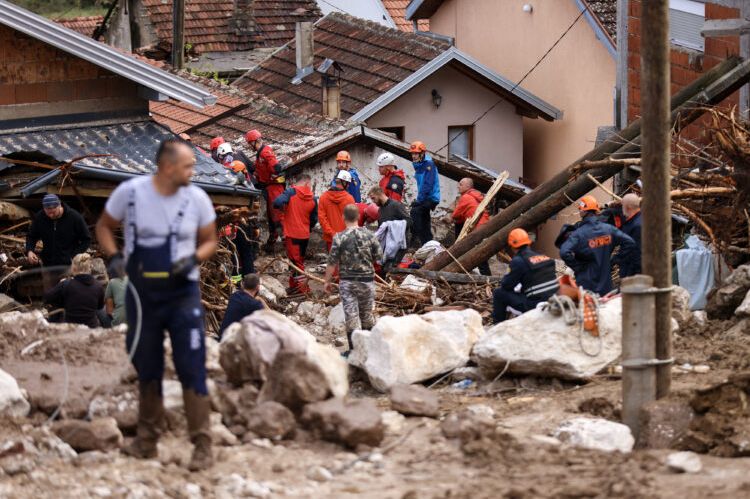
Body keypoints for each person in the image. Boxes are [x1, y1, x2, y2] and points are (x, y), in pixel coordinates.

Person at [95, 138, 218, 471]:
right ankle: (146, 441)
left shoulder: (197, 199)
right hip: (142, 294)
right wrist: (115, 257)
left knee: (191, 365)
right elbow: (104, 226)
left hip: (182, 295)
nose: (193, 171)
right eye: (188, 165)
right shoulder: (131, 193)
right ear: (167, 167)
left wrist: (192, 258)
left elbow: (210, 240)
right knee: (147, 365)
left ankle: (202, 445)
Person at [324, 204, 382, 356]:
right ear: (358, 217)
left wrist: (327, 282)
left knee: (351, 317)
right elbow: (380, 257)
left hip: (347, 282)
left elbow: (332, 262)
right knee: (367, 315)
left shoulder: (339, 237)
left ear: (343, 217)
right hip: (367, 281)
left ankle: (354, 352)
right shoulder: (370, 235)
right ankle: (370, 351)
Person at [560, 195, 636, 295]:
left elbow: (564, 252)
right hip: (605, 284)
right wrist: (614, 261)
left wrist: (578, 267)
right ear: (596, 210)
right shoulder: (609, 229)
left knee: (588, 309)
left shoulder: (578, 234)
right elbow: (630, 243)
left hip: (585, 283)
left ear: (583, 212)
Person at [492, 229, 559, 324]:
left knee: (499, 293)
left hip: (535, 305)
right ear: (528, 243)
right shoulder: (545, 257)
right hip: (555, 300)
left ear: (512, 246)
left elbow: (506, 285)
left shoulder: (518, 261)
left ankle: (497, 326)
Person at [26, 193, 92, 289]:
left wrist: (74, 255)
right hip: (48, 265)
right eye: (48, 212)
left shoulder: (74, 217)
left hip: (68, 265)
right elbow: (31, 236)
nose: (51, 215)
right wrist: (30, 250)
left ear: (59, 205)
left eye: (53, 212)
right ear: (44, 209)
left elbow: (86, 239)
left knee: (68, 294)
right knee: (50, 296)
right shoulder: (40, 217)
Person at [273, 174, 317, 293]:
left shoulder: (291, 192)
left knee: (296, 263)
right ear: (307, 183)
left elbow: (276, 202)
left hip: (292, 234)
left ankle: (303, 289)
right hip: (305, 235)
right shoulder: (313, 198)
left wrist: (283, 210)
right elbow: (314, 219)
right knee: (298, 261)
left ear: (298, 182)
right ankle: (294, 286)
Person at [246, 129, 285, 253]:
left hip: (274, 188)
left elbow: (275, 166)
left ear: (254, 142)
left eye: (249, 143)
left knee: (277, 218)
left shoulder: (265, 152)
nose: (249, 146)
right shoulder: (260, 154)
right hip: (268, 188)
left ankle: (287, 246)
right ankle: (271, 244)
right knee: (271, 217)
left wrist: (275, 171)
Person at [44, 253, 105, 328]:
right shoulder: (98, 286)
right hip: (91, 327)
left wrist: (60, 285)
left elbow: (47, 298)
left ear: (73, 268)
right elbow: (99, 306)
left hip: (71, 327)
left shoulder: (66, 284)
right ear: (90, 268)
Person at [451, 178, 491, 275]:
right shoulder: (477, 196)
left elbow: (455, 215)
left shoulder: (466, 197)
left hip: (476, 228)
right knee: (480, 253)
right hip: (484, 226)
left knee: (478, 254)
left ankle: (485, 275)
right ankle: (486, 274)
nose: (458, 186)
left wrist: (451, 218)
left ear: (468, 186)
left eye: (460, 184)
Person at [369, 187, 411, 272]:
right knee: (382, 268)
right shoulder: (380, 210)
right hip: (387, 244)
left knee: (389, 269)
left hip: (399, 243)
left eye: (373, 198)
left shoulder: (396, 205)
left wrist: (392, 226)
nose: (373, 201)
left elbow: (409, 221)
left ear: (379, 194)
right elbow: (381, 228)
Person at [409, 141, 440, 246]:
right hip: (425, 197)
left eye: (416, 153)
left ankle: (415, 238)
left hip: (431, 197)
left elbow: (427, 184)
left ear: (422, 153)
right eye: (412, 153)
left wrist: (419, 200)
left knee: (415, 212)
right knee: (425, 220)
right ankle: (428, 242)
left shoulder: (428, 164)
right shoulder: (419, 165)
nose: (413, 156)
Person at [219, 274, 265, 338]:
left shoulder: (234, 296)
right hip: (235, 344)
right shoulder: (255, 305)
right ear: (258, 287)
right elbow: (270, 321)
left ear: (243, 284)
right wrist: (262, 301)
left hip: (223, 337)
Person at [319, 171, 356, 251]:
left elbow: (322, 219)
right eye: (348, 183)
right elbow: (353, 220)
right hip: (346, 238)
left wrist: (332, 233)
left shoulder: (323, 197)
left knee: (333, 262)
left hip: (330, 239)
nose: (349, 185)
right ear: (345, 183)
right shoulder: (350, 198)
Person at [615, 193, 642, 278]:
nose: (621, 209)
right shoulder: (638, 220)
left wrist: (615, 260)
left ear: (628, 207)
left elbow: (635, 252)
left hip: (634, 274)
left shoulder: (637, 226)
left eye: (622, 206)